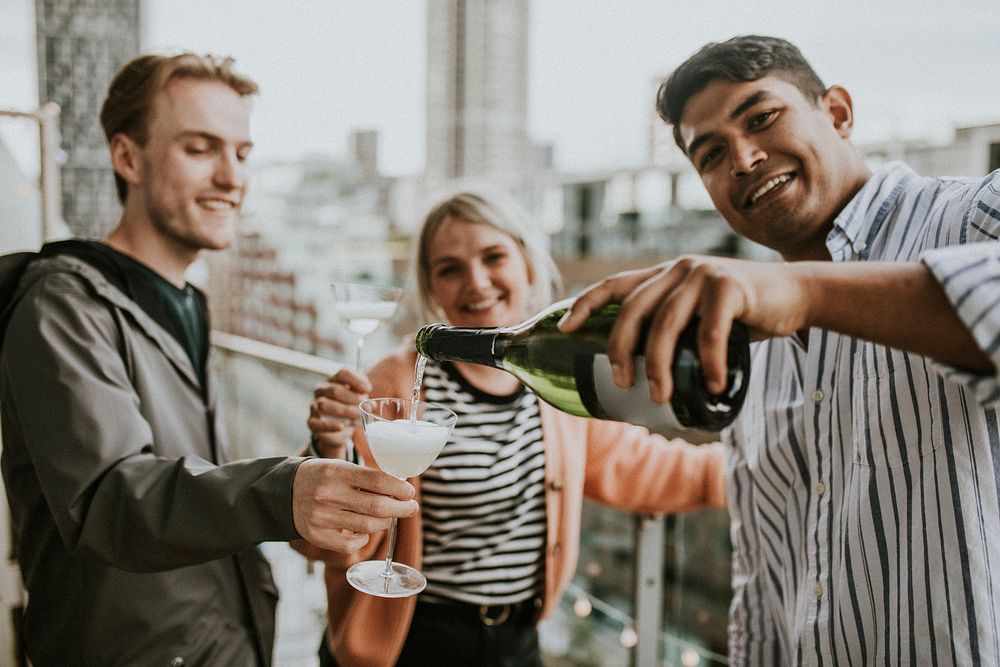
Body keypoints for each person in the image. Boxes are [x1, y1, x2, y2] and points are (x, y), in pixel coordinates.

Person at [559, 35, 1000, 664]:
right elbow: (765, 586)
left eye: (761, 118)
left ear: (840, 113)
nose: (741, 158)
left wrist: (799, 290)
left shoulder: (973, 216)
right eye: (711, 154)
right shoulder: (745, 347)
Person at [0, 53, 419, 666]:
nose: (232, 177)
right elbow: (107, 498)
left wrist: (319, 455)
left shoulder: (189, 301)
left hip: (221, 640)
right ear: (127, 158)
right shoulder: (62, 304)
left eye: (243, 153)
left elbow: (193, 475)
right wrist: (283, 491)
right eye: (201, 148)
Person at [299, 189, 729, 666]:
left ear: (527, 264)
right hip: (410, 641)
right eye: (449, 269)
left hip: (518, 644)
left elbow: (647, 467)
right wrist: (328, 443)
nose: (476, 282)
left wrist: (756, 473)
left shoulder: (559, 379)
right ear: (431, 288)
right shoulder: (394, 383)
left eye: (493, 256)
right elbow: (319, 541)